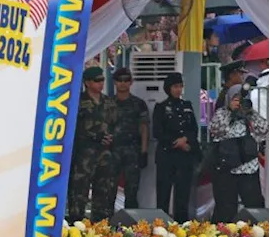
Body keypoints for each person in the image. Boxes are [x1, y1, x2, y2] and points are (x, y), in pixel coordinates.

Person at [208, 84, 268, 223]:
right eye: (236, 99)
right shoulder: (222, 113)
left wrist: (250, 112)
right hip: (227, 169)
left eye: (241, 99)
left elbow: (264, 128)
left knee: (254, 206)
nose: (239, 102)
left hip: (248, 169)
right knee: (226, 209)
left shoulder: (249, 115)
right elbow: (215, 129)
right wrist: (230, 111)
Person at [70, 66, 117, 222]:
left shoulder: (108, 102)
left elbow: (115, 124)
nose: (101, 83)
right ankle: (76, 225)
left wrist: (111, 137)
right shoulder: (78, 102)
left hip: (105, 154)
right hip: (84, 154)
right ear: (87, 83)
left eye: (102, 80)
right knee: (79, 192)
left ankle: (100, 226)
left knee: (104, 191)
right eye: (97, 80)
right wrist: (94, 136)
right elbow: (72, 128)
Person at [152, 72, 198, 222]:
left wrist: (186, 139)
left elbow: (193, 129)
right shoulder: (161, 107)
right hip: (167, 155)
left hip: (184, 156)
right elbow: (158, 132)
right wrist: (176, 142)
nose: (178, 90)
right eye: (175, 86)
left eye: (180, 86)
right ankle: (161, 226)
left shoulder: (187, 106)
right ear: (168, 88)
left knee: (182, 196)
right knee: (163, 194)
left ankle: (182, 226)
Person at [109, 68, 149, 210]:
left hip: (132, 150)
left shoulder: (138, 104)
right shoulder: (108, 103)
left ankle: (131, 228)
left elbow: (144, 128)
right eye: (120, 80)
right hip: (112, 151)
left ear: (131, 82)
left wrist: (144, 151)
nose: (123, 83)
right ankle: (105, 226)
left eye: (126, 80)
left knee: (131, 191)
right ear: (115, 82)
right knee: (109, 190)